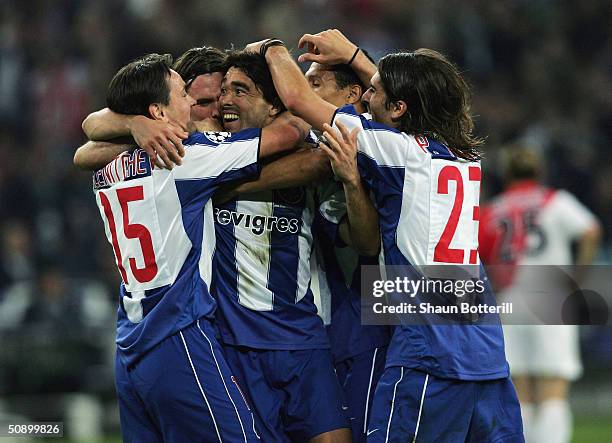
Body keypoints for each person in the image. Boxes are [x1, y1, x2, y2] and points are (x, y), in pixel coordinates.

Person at [252, 30, 524, 442]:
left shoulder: (394, 151)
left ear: (398, 108)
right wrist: (356, 55)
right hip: (486, 354)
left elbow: (297, 101)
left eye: (373, 93)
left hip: (429, 352)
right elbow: (417, 95)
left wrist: (272, 48)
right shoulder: (463, 157)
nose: (365, 99)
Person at [87, 52, 307, 442]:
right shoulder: (186, 158)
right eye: (181, 94)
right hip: (179, 335)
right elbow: (290, 132)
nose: (191, 103)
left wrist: (131, 123)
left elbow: (87, 143)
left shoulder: (107, 167)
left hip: (130, 346)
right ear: (158, 111)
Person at [210, 50, 377, 443]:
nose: (225, 101)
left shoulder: (311, 157)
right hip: (236, 341)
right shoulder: (202, 154)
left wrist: (230, 187)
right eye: (224, 91)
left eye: (241, 90)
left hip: (305, 337)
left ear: (273, 109)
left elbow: (363, 237)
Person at [479, 147, 602, 443]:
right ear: (539, 172)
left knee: (520, 392)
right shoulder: (556, 201)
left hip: (510, 299)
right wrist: (578, 276)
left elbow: (481, 256)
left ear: (507, 175)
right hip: (551, 296)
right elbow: (590, 230)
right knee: (553, 391)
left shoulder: (494, 209)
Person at [304, 48, 392, 443]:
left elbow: (366, 242)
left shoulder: (378, 144)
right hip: (332, 319)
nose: (304, 95)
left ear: (352, 95)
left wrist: (357, 56)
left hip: (367, 317)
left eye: (315, 84)